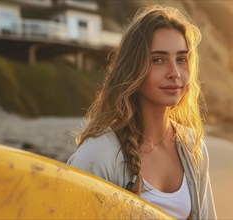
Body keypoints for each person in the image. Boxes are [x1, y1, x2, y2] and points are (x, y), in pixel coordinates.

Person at [67, 5, 217, 220]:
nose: (174, 73)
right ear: (133, 68)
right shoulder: (98, 155)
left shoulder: (193, 148)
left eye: (181, 59)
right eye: (158, 59)